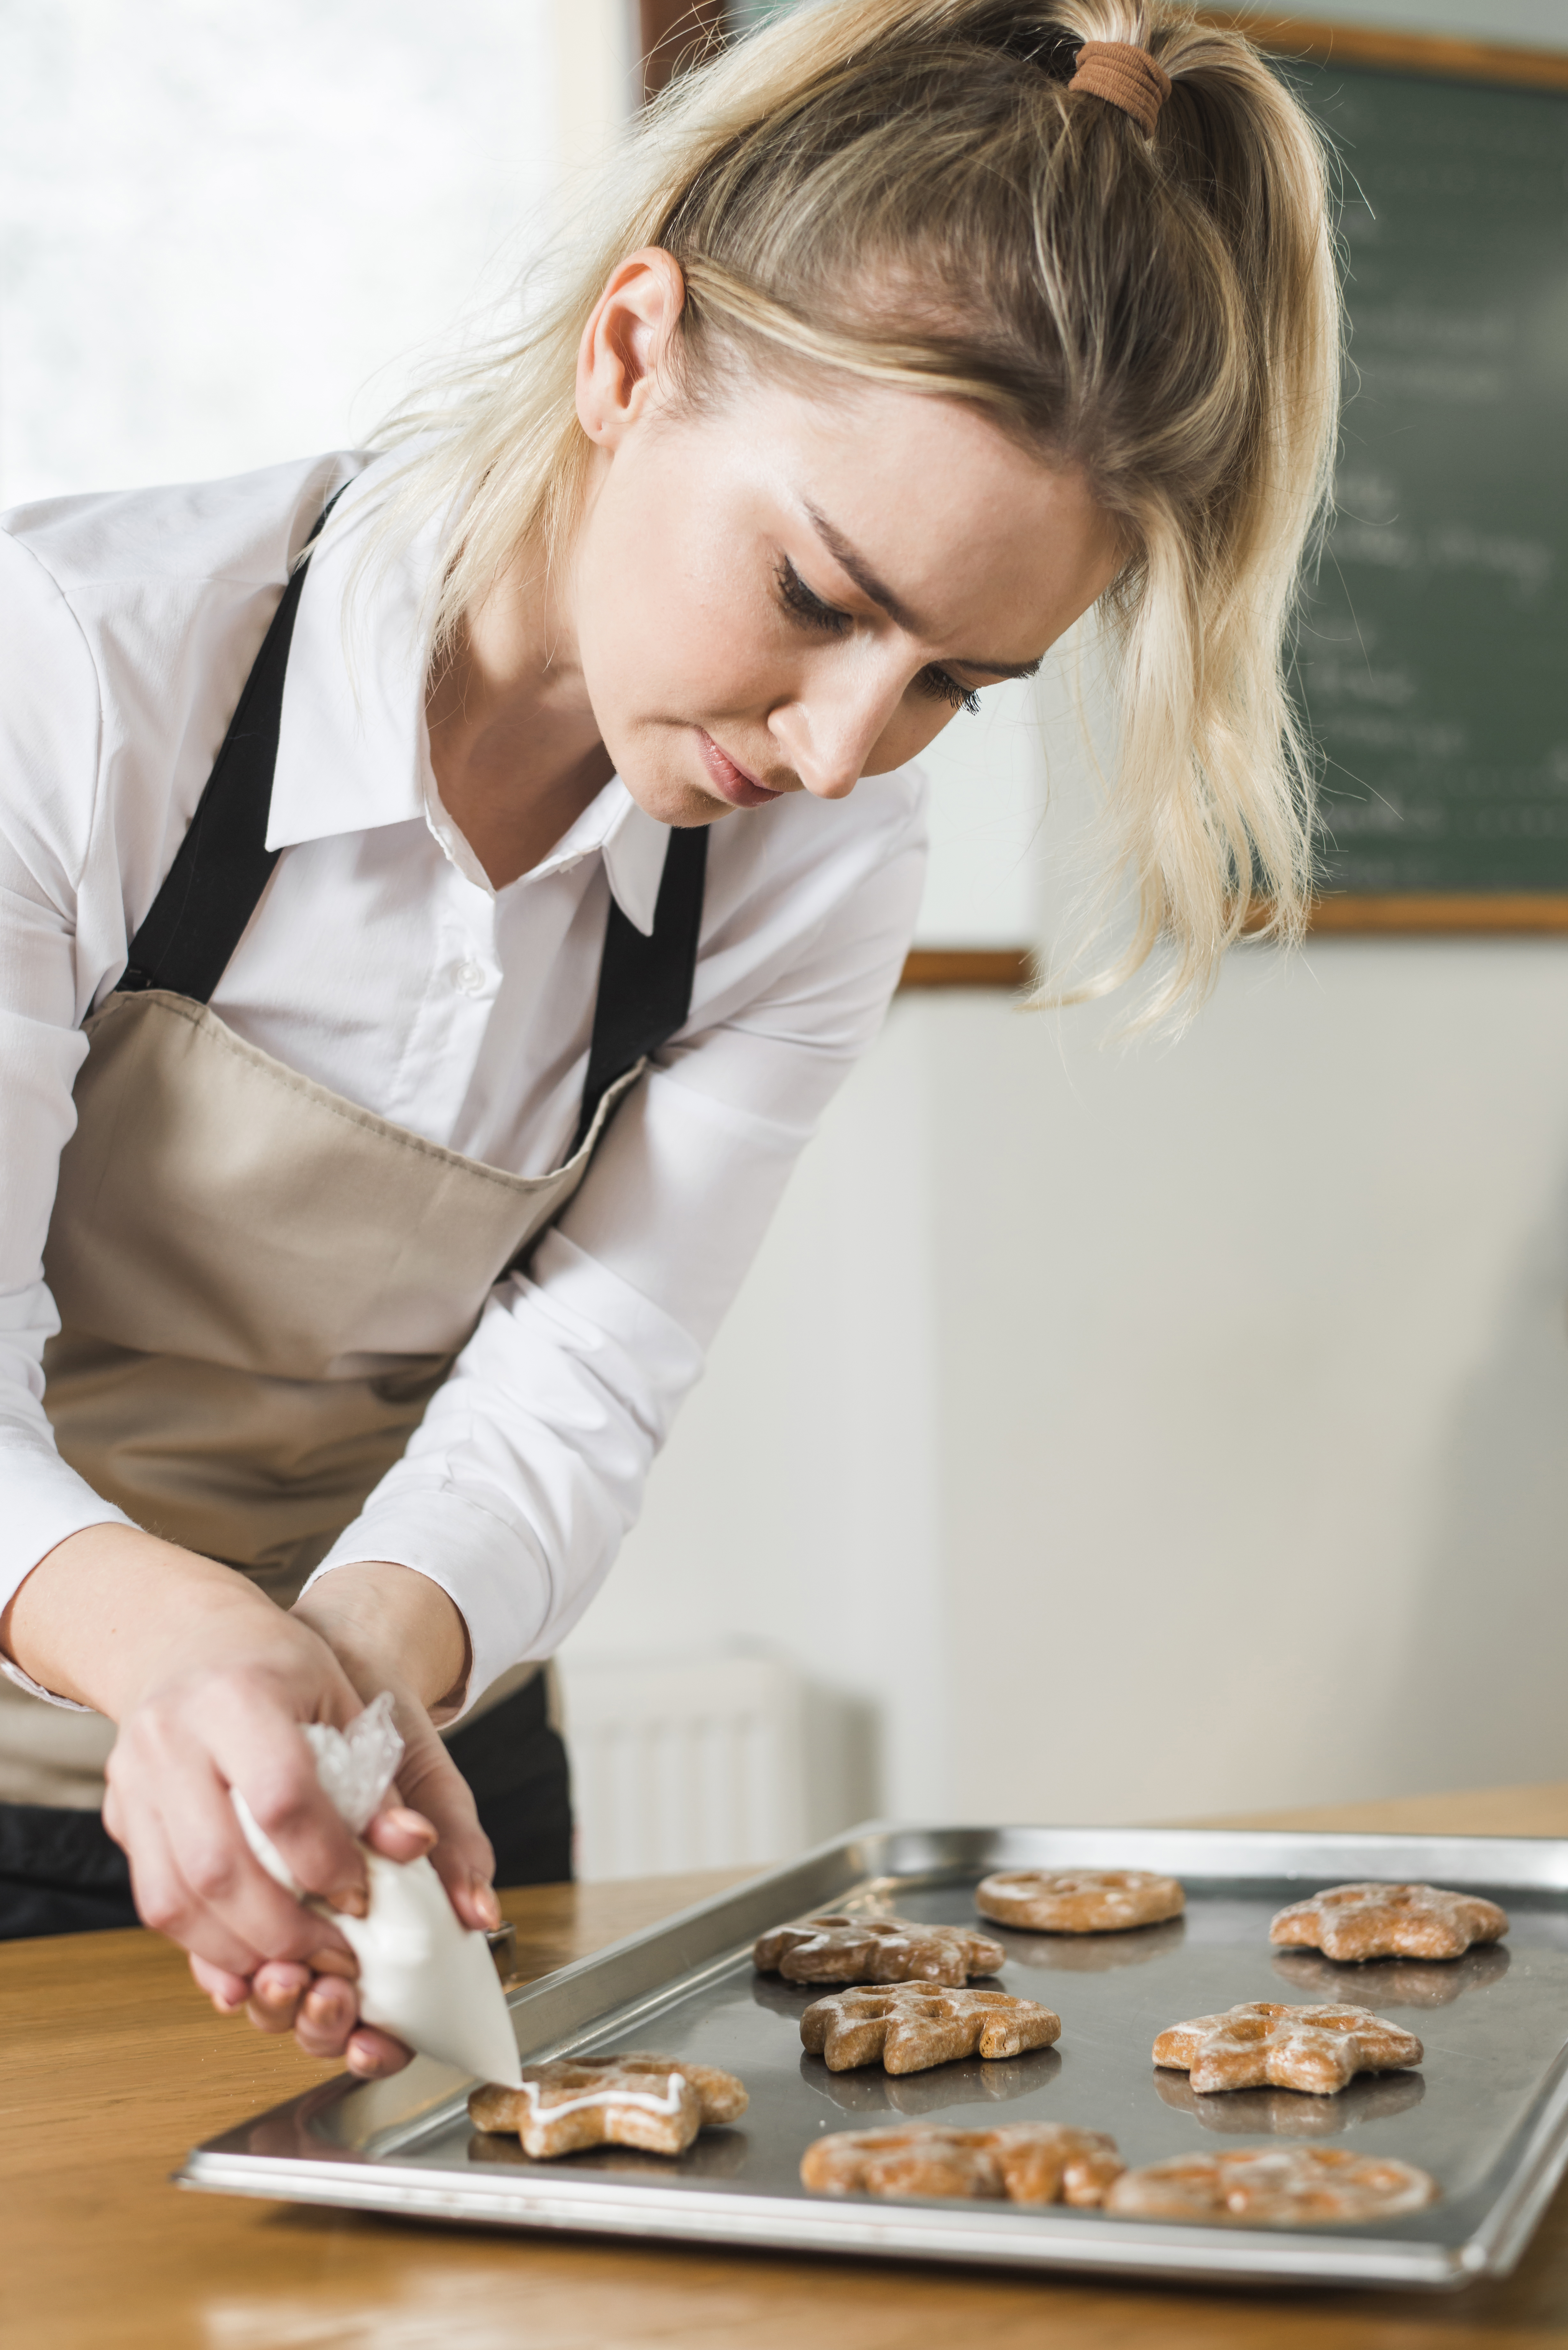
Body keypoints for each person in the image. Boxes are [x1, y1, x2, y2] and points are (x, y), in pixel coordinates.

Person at [0, 0, 1337, 2074]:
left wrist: (356, 1678)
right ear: (632, 353)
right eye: (816, 594)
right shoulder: (76, 675)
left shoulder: (818, 855)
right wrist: (184, 1652)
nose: (839, 749)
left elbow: (592, 1369)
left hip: (409, 1749)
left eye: (951, 688)